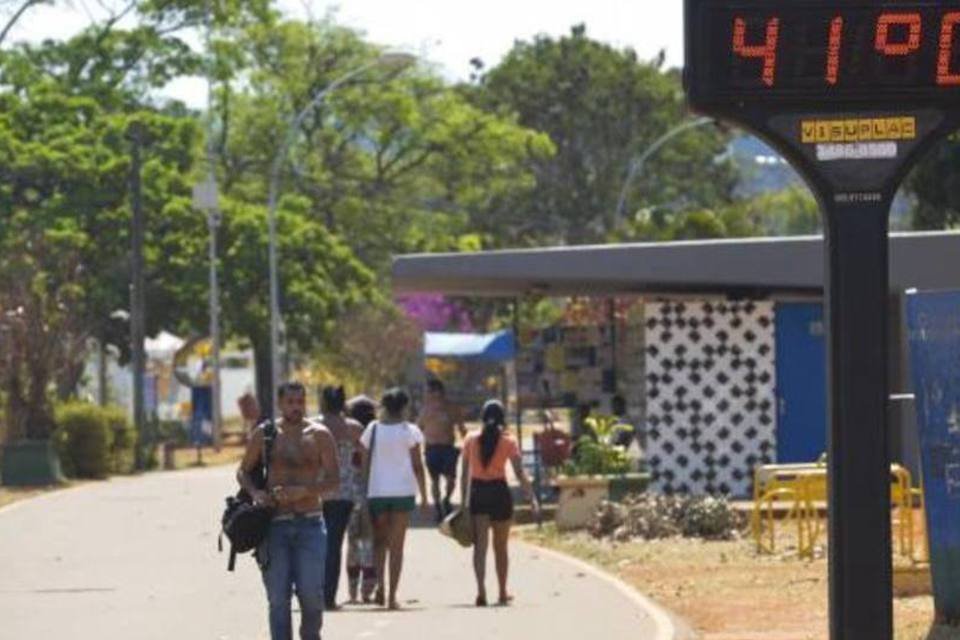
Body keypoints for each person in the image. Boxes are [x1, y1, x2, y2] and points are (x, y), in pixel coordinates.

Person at [237, 381, 339, 640]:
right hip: (274, 526)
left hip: (311, 524)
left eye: (300, 402)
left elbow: (335, 480)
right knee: (278, 599)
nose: (296, 407)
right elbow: (243, 471)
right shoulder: (265, 434)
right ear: (280, 403)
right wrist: (256, 493)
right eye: (290, 402)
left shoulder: (320, 435)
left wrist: (305, 491)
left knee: (311, 595)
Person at [460, 400, 539, 607]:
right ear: (502, 419)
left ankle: (481, 591)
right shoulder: (508, 441)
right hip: (499, 493)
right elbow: (520, 473)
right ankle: (502, 592)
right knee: (501, 547)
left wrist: (463, 505)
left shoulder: (470, 439)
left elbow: (464, 475)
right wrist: (531, 497)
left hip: (478, 493)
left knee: (480, 547)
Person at [359, 387, 429, 610]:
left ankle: (380, 586)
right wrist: (425, 497)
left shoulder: (373, 429)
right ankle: (392, 596)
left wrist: (363, 492)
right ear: (405, 407)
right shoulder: (411, 431)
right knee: (397, 546)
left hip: (377, 492)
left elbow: (364, 463)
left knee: (380, 542)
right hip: (403, 492)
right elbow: (418, 466)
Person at [317, 385, 364, 610]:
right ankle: (328, 597)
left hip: (315, 492)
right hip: (344, 492)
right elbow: (363, 460)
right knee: (334, 545)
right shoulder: (354, 428)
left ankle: (310, 591)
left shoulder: (314, 426)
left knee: (313, 544)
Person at [345, 395, 378, 603]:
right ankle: (368, 590)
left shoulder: (346, 434)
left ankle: (352, 592)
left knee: (352, 544)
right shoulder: (375, 437)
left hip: (349, 495)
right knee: (370, 543)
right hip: (373, 494)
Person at [419, 379, 467, 521]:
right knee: (434, 480)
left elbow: (461, 427)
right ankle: (438, 507)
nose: (427, 395)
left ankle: (447, 499)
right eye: (427, 392)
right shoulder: (425, 410)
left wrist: (469, 443)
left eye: (429, 392)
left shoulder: (452, 408)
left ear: (439, 392)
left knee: (451, 479)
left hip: (448, 448)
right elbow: (417, 429)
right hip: (431, 448)